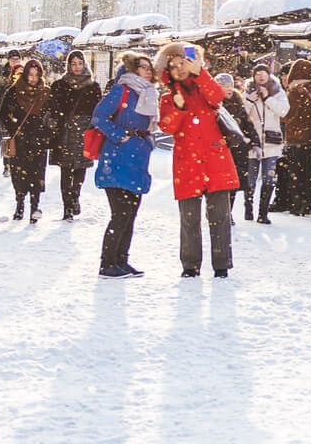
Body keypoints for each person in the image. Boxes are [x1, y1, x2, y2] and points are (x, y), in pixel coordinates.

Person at [156, 43, 241, 277]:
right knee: (189, 220)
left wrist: (201, 74)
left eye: (183, 63)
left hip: (215, 161)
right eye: (173, 66)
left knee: (220, 217)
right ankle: (190, 266)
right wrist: (178, 107)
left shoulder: (204, 87)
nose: (179, 69)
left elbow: (218, 96)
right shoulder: (167, 98)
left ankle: (221, 264)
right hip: (187, 165)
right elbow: (167, 126)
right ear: (168, 71)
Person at [92, 52, 159, 277]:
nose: (148, 71)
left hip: (138, 158)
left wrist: (147, 140)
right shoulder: (122, 89)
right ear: (132, 69)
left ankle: (121, 260)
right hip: (118, 157)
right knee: (120, 213)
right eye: (143, 67)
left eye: (150, 67)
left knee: (130, 213)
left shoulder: (149, 94)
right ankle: (107, 263)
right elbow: (99, 116)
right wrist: (119, 135)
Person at [46, 52, 105, 221]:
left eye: (80, 63)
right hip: (65, 132)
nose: (77, 67)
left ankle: (75, 197)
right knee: (66, 170)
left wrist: (93, 126)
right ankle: (67, 207)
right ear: (68, 65)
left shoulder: (93, 86)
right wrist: (55, 123)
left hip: (84, 132)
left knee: (80, 169)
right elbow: (52, 108)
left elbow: (97, 110)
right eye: (73, 63)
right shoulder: (59, 85)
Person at [0, 61, 54, 222]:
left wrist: (47, 131)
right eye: (30, 75)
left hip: (38, 141)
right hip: (20, 141)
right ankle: (20, 204)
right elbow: (3, 113)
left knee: (37, 174)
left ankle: (35, 207)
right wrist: (14, 127)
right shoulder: (14, 91)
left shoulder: (46, 92)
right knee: (19, 175)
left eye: (36, 75)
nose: (33, 79)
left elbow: (54, 115)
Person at [274, 58, 311, 216]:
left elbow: (288, 115)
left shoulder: (295, 91)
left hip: (295, 139)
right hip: (310, 139)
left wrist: (277, 113)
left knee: (295, 174)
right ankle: (305, 204)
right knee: (307, 174)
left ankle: (296, 205)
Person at [242, 65, 288, 223]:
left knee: (269, 179)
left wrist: (268, 99)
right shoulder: (247, 92)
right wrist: (249, 101)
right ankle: (248, 208)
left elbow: (283, 111)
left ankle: (263, 213)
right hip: (253, 142)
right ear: (253, 76)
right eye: (257, 74)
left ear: (269, 75)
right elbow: (242, 115)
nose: (261, 77)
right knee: (250, 179)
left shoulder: (278, 91)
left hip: (271, 142)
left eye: (264, 74)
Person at [214, 72, 260, 220]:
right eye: (225, 86)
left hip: (239, 150)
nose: (229, 89)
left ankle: (228, 213)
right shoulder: (214, 104)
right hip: (221, 149)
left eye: (231, 86)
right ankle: (218, 213)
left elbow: (248, 124)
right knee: (221, 185)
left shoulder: (237, 102)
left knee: (233, 183)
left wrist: (255, 142)